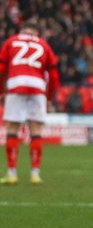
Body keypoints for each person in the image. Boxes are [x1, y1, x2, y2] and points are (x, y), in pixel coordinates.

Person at [0, 21, 59, 185]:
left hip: (15, 85)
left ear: (22, 31)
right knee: (36, 131)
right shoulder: (43, 44)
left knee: (12, 130)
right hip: (37, 87)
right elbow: (53, 75)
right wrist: (48, 97)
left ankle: (12, 174)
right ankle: (35, 174)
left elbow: (1, 68)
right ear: (37, 32)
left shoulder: (11, 41)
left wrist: (1, 91)